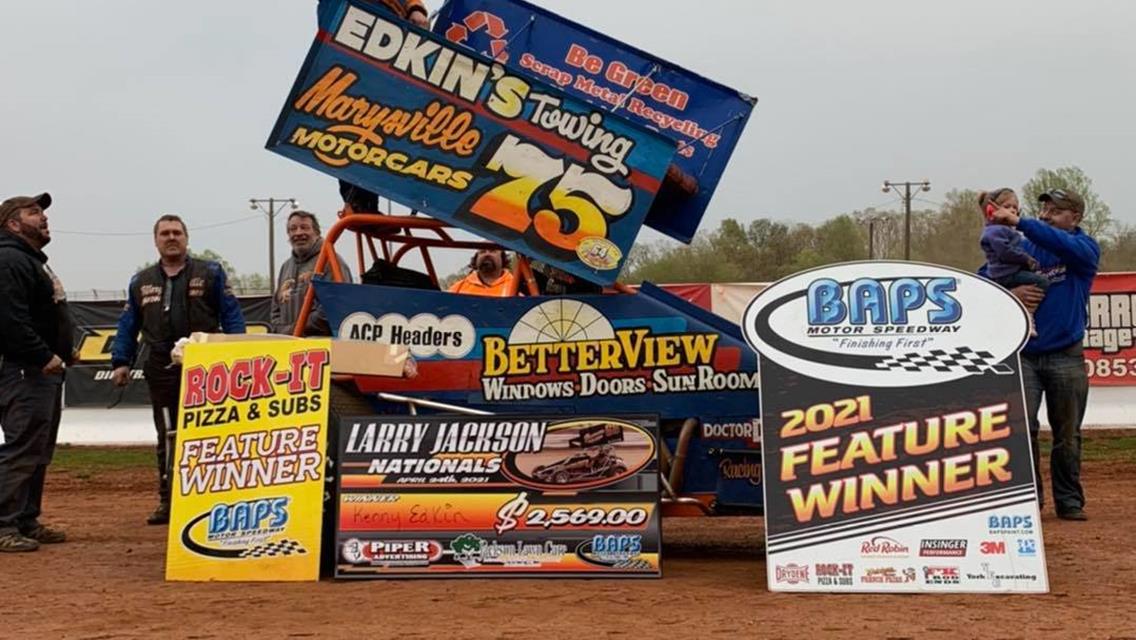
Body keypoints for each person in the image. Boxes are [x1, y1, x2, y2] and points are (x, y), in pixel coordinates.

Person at [110, 215, 246, 525]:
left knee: (211, 433)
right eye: (165, 233)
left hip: (206, 365)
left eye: (177, 232)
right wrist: (120, 362)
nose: (171, 238)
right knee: (167, 435)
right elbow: (127, 325)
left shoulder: (211, 272)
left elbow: (232, 316)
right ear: (155, 240)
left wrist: (240, 354)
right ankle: (167, 500)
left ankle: (213, 502)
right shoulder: (140, 280)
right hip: (160, 364)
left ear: (186, 238)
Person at [990, 189, 1099, 521]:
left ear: (1075, 217)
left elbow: (1063, 245)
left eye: (1056, 210)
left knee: (1067, 433)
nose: (1046, 214)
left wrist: (1021, 222)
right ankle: (1029, 500)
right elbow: (986, 275)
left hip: (1067, 354)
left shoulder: (1084, 249)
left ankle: (1069, 501)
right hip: (1024, 354)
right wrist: (1012, 291)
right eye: (1044, 209)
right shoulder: (1021, 247)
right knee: (1023, 428)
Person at [0, 192, 73, 552]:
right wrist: (43, 354)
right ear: (13, 223)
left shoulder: (31, 260)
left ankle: (26, 519)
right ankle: (3, 525)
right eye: (33, 212)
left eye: (42, 212)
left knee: (38, 449)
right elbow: (9, 320)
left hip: (41, 370)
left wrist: (62, 348)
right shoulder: (9, 258)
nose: (43, 217)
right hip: (24, 370)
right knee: (22, 447)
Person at [338, 0, 430, 214]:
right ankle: (358, 201)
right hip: (353, 15)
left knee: (385, 111)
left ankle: (365, 201)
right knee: (354, 105)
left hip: (391, 24)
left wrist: (415, 8)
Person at [978, 188, 1049, 336]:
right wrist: (1026, 259)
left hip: (1010, 271)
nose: (1012, 211)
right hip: (1006, 273)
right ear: (991, 211)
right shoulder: (995, 232)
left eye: (1015, 208)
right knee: (1041, 282)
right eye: (1006, 207)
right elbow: (1005, 252)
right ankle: (1027, 315)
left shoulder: (1006, 231)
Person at [271, 210, 353, 335]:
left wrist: (295, 330)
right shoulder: (285, 267)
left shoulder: (331, 262)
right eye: (293, 229)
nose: (298, 233)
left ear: (316, 232)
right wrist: (281, 330)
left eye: (304, 227)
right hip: (288, 345)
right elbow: (275, 308)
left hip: (321, 346)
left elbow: (333, 307)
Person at [449, 248, 517, 297]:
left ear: (503, 258)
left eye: (493, 251)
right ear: (476, 259)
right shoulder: (457, 289)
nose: (487, 254)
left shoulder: (517, 288)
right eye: (482, 251)